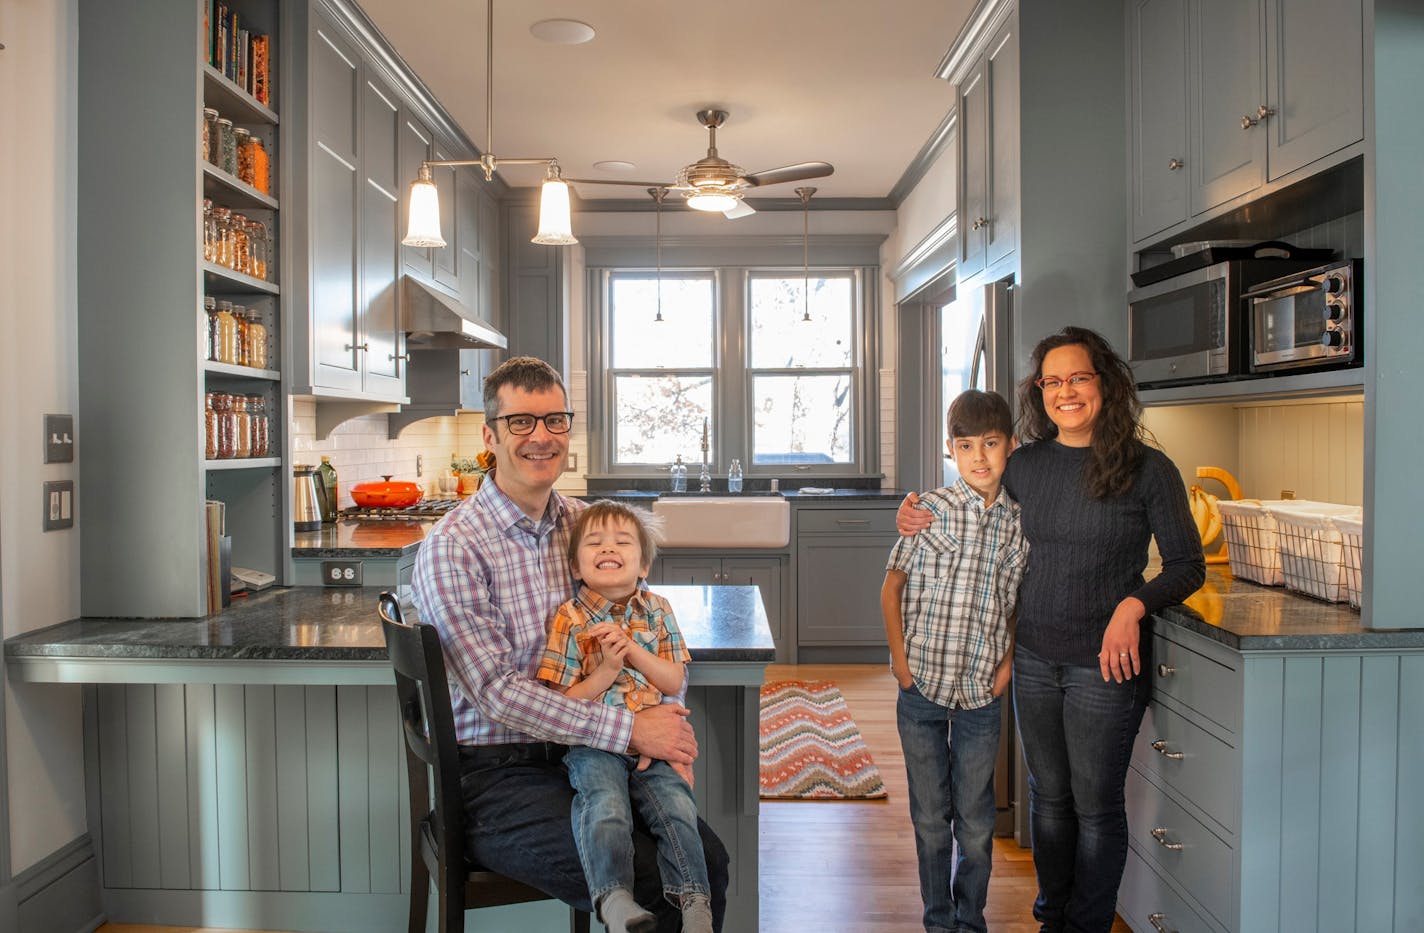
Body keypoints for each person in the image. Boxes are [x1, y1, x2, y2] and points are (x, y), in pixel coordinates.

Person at [897, 327, 1204, 932]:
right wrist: (912, 511)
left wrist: (1132, 607)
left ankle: (1083, 926)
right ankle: (1051, 917)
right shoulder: (1026, 464)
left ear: (1104, 383)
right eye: (1052, 381)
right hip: (1033, 657)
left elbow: (1186, 565)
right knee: (1050, 801)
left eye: (1078, 377)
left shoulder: (1149, 469)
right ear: (1040, 393)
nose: (1065, 391)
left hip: (1104, 668)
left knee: (1094, 808)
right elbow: (969, 497)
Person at [411, 356, 728, 932]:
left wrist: (667, 724)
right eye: (521, 423)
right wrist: (632, 729)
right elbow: (497, 694)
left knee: (708, 864)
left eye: (555, 421)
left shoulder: (583, 524)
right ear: (489, 435)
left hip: (588, 756)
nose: (541, 437)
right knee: (661, 883)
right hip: (496, 775)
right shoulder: (453, 547)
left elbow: (646, 623)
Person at [881, 389, 1029, 933]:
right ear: (951, 449)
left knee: (975, 822)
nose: (980, 458)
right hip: (920, 687)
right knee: (929, 819)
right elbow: (891, 588)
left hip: (979, 695)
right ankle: (937, 921)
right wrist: (900, 663)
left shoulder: (1018, 523)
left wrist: (1006, 664)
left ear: (1010, 445)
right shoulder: (930, 511)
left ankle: (972, 921)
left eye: (990, 444)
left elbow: (1014, 605)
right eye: (966, 446)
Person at [538, 501, 712, 933]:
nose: (607, 548)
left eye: (621, 542)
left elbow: (673, 680)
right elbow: (564, 702)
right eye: (594, 543)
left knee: (677, 809)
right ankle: (613, 898)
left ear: (643, 563)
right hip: (594, 745)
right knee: (605, 805)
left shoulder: (658, 609)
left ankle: (695, 903)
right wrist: (607, 671)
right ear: (576, 567)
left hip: (652, 748)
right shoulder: (569, 617)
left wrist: (632, 650)